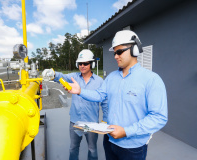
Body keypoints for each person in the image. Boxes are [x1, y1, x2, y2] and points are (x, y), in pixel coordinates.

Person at [67, 30, 168, 160]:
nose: (115, 56)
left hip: (133, 148)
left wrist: (126, 131)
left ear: (135, 49)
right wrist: (80, 91)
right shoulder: (111, 78)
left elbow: (159, 117)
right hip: (109, 142)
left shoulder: (152, 80)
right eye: (115, 52)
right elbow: (99, 95)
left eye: (119, 51)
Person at [42, 49, 108, 160]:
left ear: (92, 64)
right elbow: (61, 76)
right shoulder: (74, 77)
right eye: (80, 63)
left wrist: (105, 119)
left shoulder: (99, 81)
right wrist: (53, 74)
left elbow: (105, 101)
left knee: (92, 149)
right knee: (73, 148)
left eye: (85, 63)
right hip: (75, 121)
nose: (82, 66)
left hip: (91, 123)